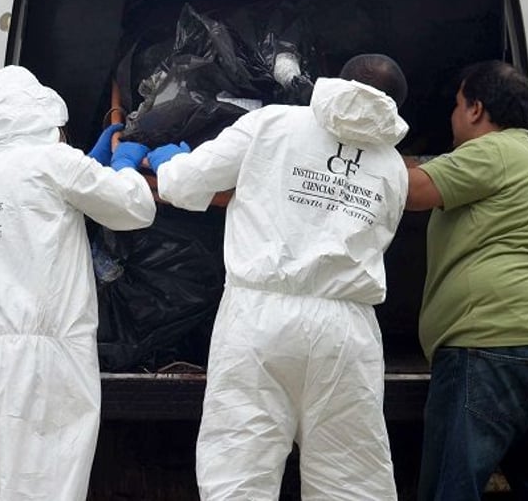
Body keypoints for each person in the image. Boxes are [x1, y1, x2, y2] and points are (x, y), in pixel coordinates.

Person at [145, 54, 410, 500]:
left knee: (240, 469)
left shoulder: (271, 124)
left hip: (258, 317)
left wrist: (167, 160)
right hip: (346, 332)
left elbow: (185, 185)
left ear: (335, 82)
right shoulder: (394, 167)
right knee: (351, 480)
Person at [0, 65, 157, 500]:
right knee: (40, 488)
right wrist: (123, 165)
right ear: (44, 119)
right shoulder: (51, 161)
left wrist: (84, 167)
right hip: (39, 366)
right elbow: (132, 209)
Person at [405, 60, 528, 500]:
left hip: (492, 352)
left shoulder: (492, 152)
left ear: (475, 109)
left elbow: (412, 192)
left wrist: (349, 160)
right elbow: (430, 169)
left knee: (451, 489)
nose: (453, 116)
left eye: (456, 105)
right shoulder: (523, 156)